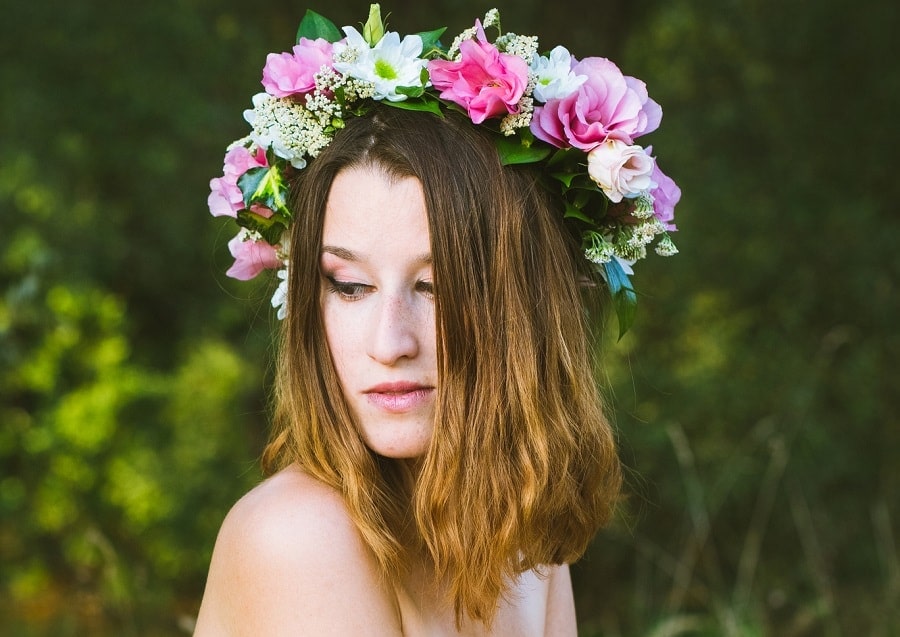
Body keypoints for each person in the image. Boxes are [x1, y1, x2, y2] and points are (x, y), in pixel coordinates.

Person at [196, 6, 679, 635]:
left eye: (436, 285)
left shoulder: (521, 545)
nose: (390, 342)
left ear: (524, 309)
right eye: (350, 286)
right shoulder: (297, 534)